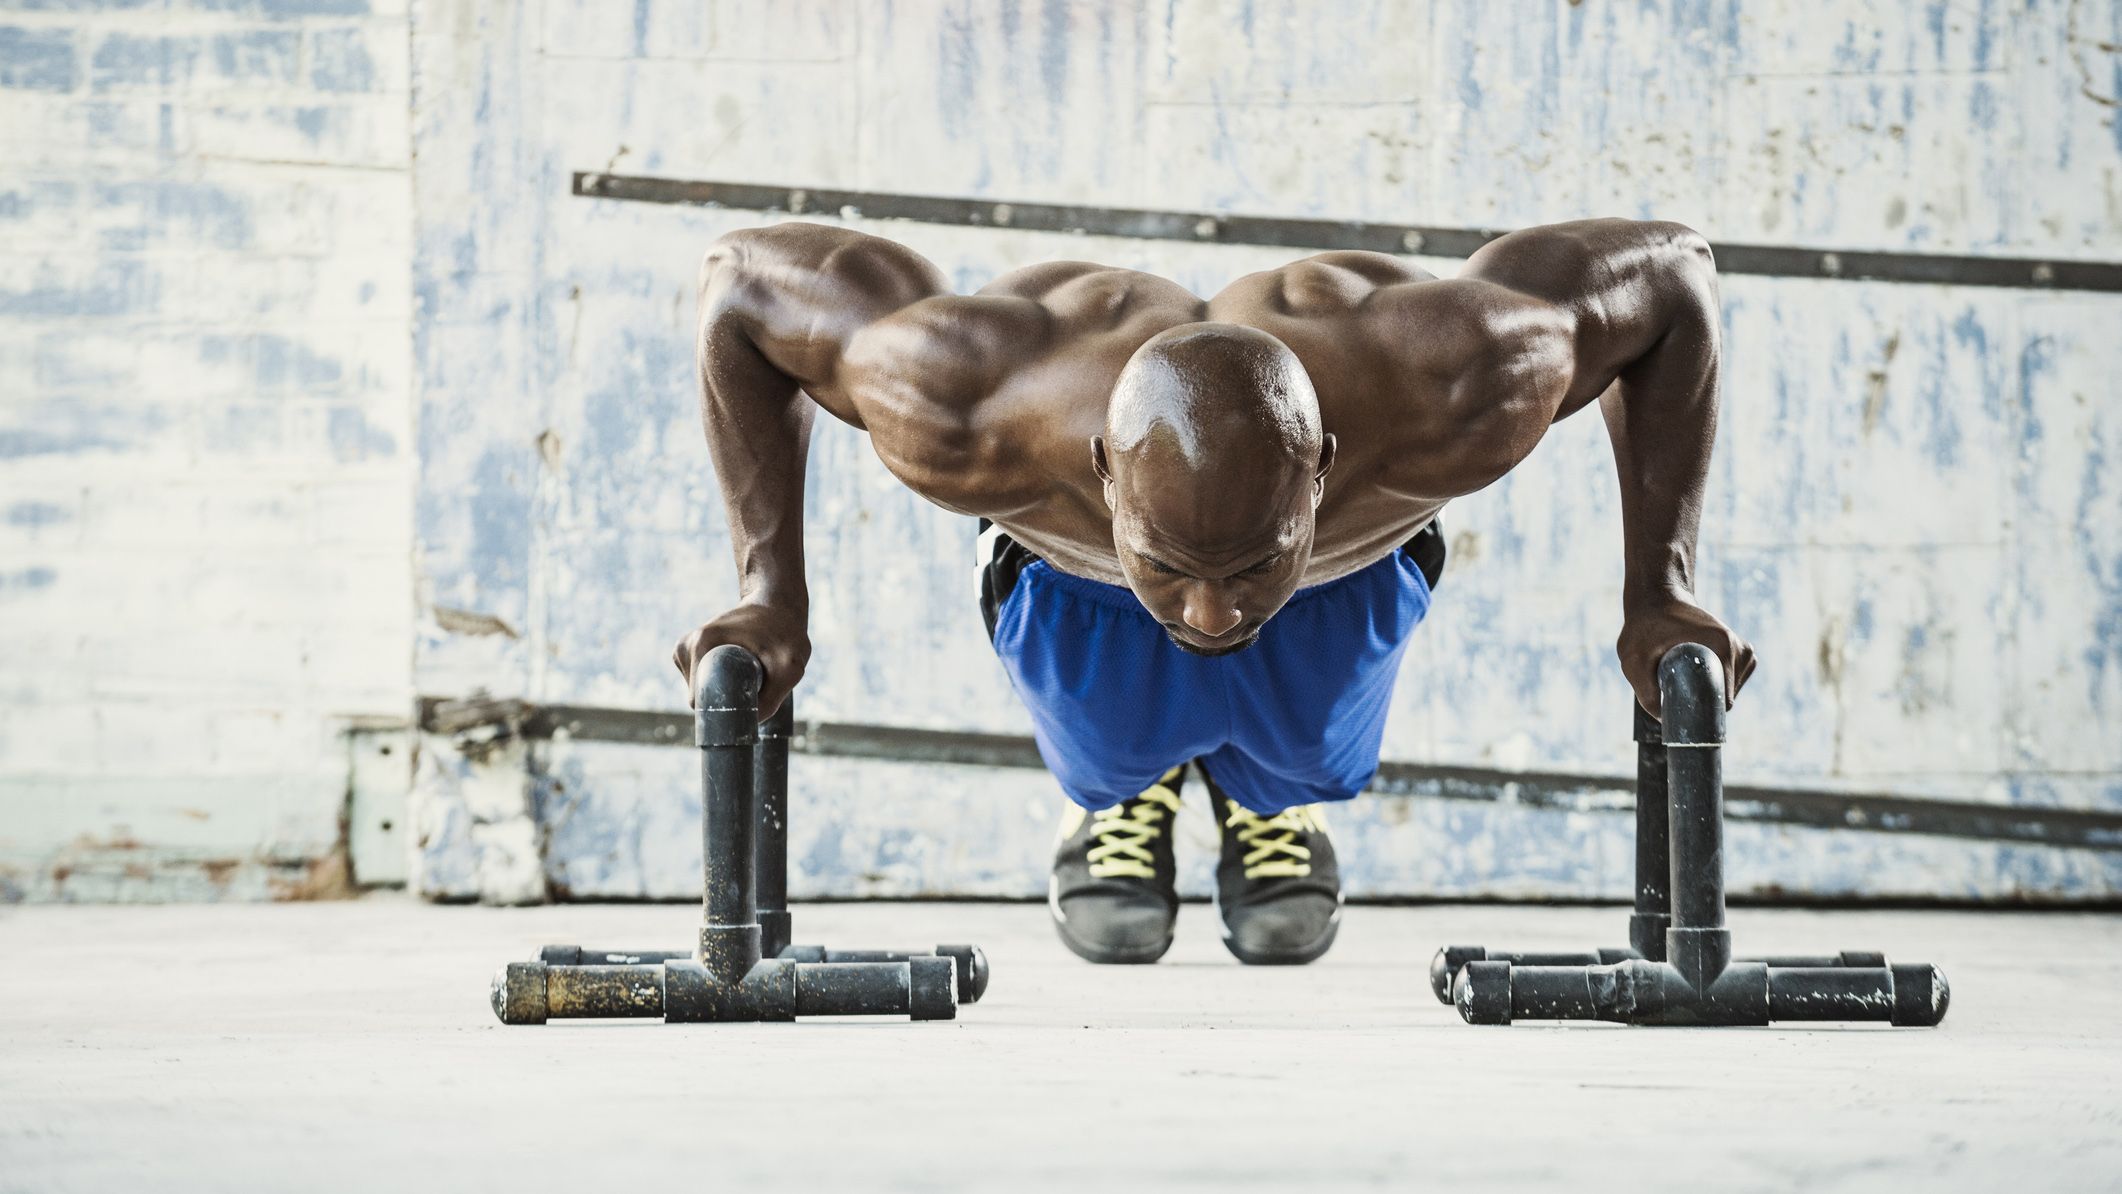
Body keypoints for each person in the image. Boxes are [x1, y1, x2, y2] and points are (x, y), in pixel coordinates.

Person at [671, 219, 1756, 966]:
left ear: (1324, 462)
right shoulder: (965, 394)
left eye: (1244, 569)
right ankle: (1122, 794)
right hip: (1077, 580)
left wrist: (1659, 588)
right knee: (1109, 763)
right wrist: (770, 592)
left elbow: (1670, 277)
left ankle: (1267, 800)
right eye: (1176, 572)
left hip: (1341, 575)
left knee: (1311, 764)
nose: (1211, 615)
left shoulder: (1458, 376)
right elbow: (740, 282)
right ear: (1100, 467)